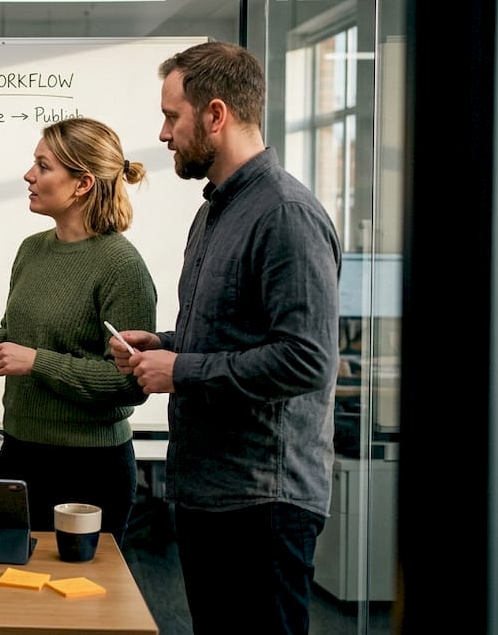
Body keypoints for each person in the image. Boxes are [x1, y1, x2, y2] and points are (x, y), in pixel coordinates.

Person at [109, 41, 341, 635]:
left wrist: (180, 371)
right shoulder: (214, 212)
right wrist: (163, 346)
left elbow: (306, 360)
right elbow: (225, 332)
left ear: (215, 115)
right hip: (208, 490)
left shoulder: (286, 213)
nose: (163, 135)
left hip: (263, 500)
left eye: (171, 116)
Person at [0, 117, 156, 544]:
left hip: (90, 467)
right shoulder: (32, 250)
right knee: (16, 596)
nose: (29, 175)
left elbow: (130, 382)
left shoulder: (121, 265)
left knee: (83, 602)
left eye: (43, 166)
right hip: (20, 453)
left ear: (82, 184)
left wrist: (38, 362)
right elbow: (23, 349)